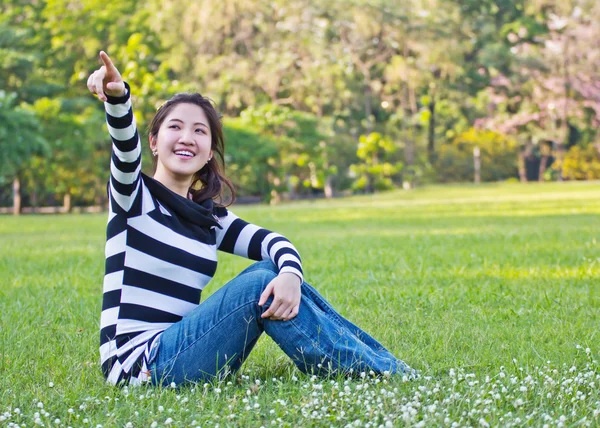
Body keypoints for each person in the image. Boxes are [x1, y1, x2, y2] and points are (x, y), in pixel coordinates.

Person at [88, 51, 417, 386]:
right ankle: (372, 373)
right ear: (155, 143)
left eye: (200, 131)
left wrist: (291, 274)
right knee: (259, 284)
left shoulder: (207, 217)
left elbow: (273, 242)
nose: (187, 137)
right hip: (137, 365)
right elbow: (124, 148)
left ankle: (384, 366)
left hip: (180, 352)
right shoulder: (135, 196)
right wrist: (118, 97)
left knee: (269, 271)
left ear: (209, 151)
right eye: (175, 127)